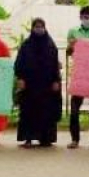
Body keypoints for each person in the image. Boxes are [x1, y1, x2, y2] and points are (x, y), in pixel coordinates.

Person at [15, 18, 62, 148]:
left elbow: (55, 65)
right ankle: (28, 138)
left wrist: (56, 81)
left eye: (41, 26)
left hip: (46, 86)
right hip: (29, 85)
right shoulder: (26, 45)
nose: (39, 28)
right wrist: (20, 78)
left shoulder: (50, 45)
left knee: (46, 111)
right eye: (36, 26)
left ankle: (45, 138)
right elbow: (19, 63)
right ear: (32, 28)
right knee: (28, 111)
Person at [65, 6, 89, 149]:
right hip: (80, 73)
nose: (88, 19)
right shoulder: (73, 31)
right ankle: (75, 139)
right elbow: (69, 52)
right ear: (80, 17)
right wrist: (71, 46)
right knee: (74, 109)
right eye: (86, 16)